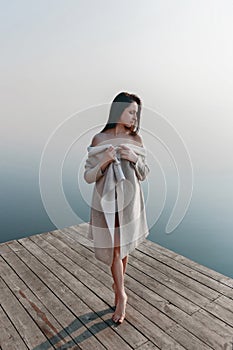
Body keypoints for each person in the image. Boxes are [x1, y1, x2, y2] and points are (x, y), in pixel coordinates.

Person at [83, 91, 150, 324]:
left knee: (123, 248)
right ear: (118, 110)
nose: (134, 117)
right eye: (131, 111)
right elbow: (88, 176)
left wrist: (133, 158)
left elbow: (144, 173)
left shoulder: (136, 141)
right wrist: (104, 161)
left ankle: (118, 284)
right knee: (114, 248)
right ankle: (121, 294)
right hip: (106, 202)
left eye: (136, 113)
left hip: (130, 201)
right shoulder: (99, 140)